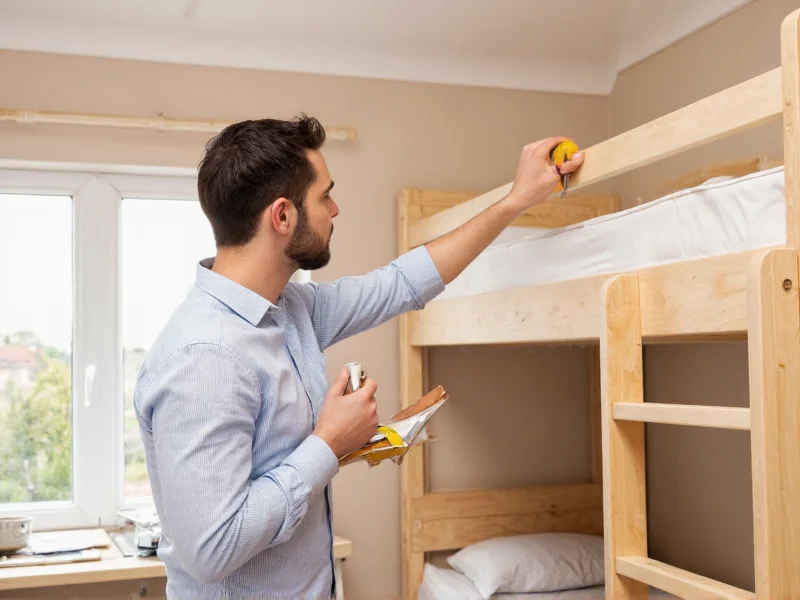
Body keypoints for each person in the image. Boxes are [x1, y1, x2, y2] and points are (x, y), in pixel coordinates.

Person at [133, 115, 583, 599]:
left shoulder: (291, 309)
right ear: (282, 217)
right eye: (324, 196)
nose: (335, 208)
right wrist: (327, 444)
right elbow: (212, 550)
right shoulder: (205, 357)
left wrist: (516, 200)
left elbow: (401, 283)